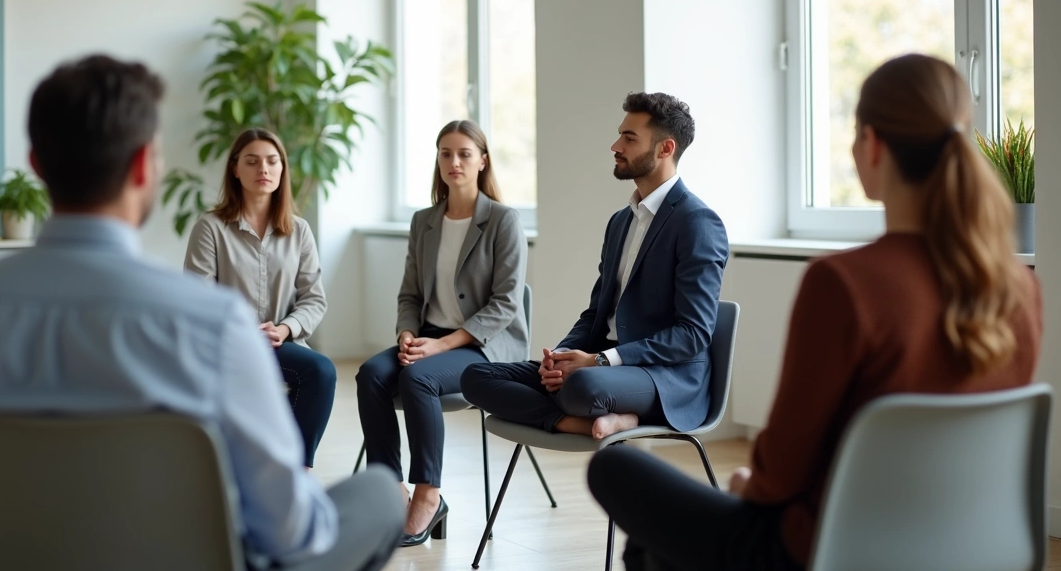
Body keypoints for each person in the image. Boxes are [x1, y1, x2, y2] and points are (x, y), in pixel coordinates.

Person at [0, 55, 403, 571]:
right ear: (145, 165)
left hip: (8, 555)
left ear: (36, 163)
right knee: (381, 495)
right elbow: (289, 531)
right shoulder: (210, 322)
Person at [587, 54, 1044, 571]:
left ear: (871, 145)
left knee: (619, 475)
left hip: (828, 547)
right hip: (971, 546)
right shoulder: (1020, 289)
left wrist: (748, 486)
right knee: (655, 548)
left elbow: (779, 471)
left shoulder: (845, 283)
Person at [461, 92, 728, 441]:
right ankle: (577, 422)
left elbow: (692, 334)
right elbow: (596, 314)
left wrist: (601, 361)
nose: (615, 145)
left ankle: (616, 416)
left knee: (582, 386)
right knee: (476, 377)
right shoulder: (620, 222)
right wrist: (558, 358)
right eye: (620, 134)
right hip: (604, 367)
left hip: (665, 375)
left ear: (665, 149)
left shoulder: (697, 222)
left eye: (629, 138)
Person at [356, 119, 528, 546]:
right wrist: (408, 334)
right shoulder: (424, 221)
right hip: (429, 336)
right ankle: (391, 491)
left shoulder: (504, 221)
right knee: (371, 375)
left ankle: (429, 495)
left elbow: (506, 304)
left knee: (419, 377)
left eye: (465, 154)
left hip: (484, 347)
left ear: (482, 161)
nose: (454, 162)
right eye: (446, 153)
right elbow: (410, 294)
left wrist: (442, 344)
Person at [184, 128, 336, 469]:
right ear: (235, 169)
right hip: (229, 345)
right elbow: (198, 300)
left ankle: (298, 473)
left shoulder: (299, 231)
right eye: (252, 162)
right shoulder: (210, 228)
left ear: (283, 169)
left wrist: (284, 329)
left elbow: (314, 299)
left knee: (321, 372)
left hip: (281, 344)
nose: (263, 169)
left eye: (272, 161)